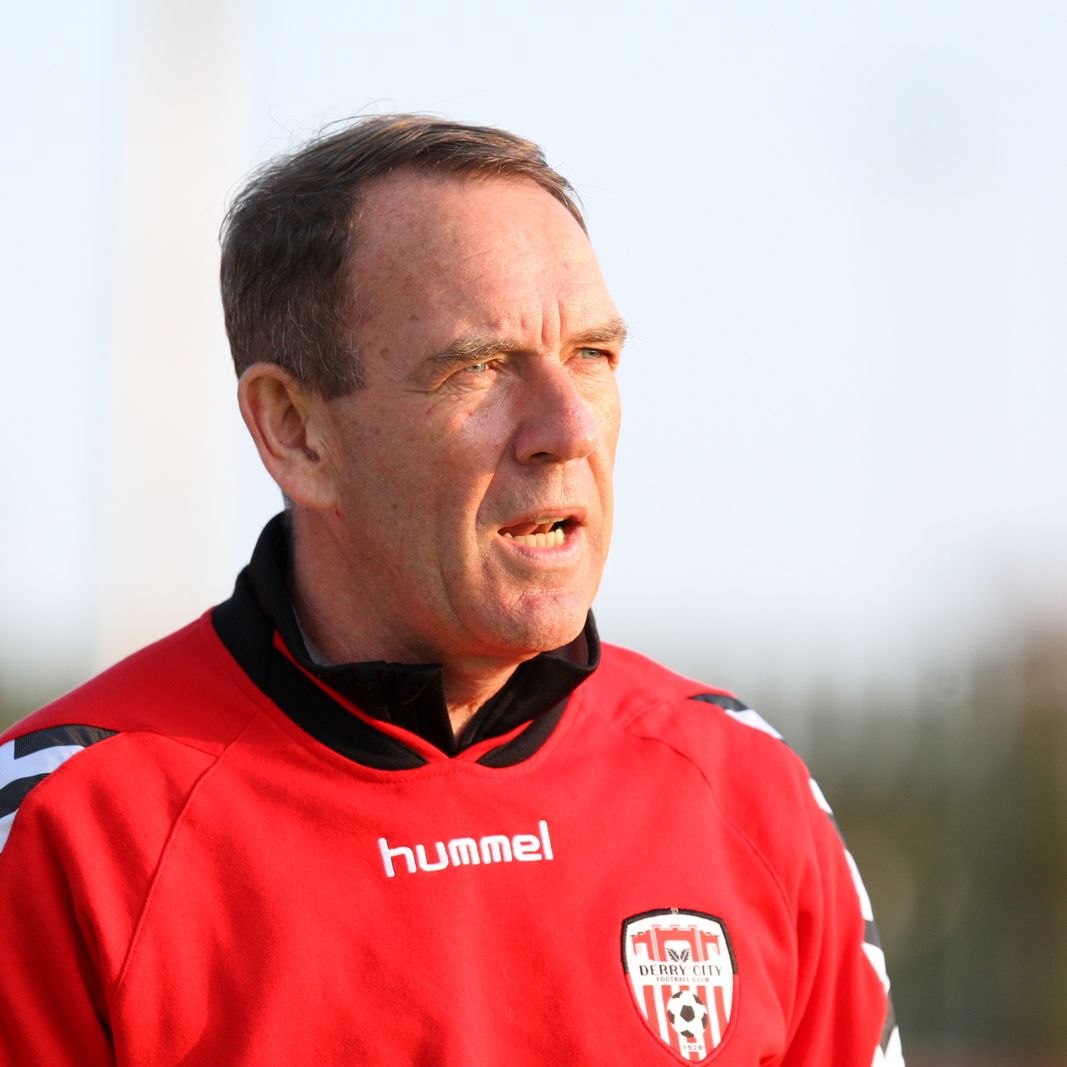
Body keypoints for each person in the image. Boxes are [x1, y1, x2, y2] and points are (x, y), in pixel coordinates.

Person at [0, 115, 902, 1065]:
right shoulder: (68, 824)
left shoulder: (746, 786)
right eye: (479, 367)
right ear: (295, 429)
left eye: (592, 355)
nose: (566, 427)